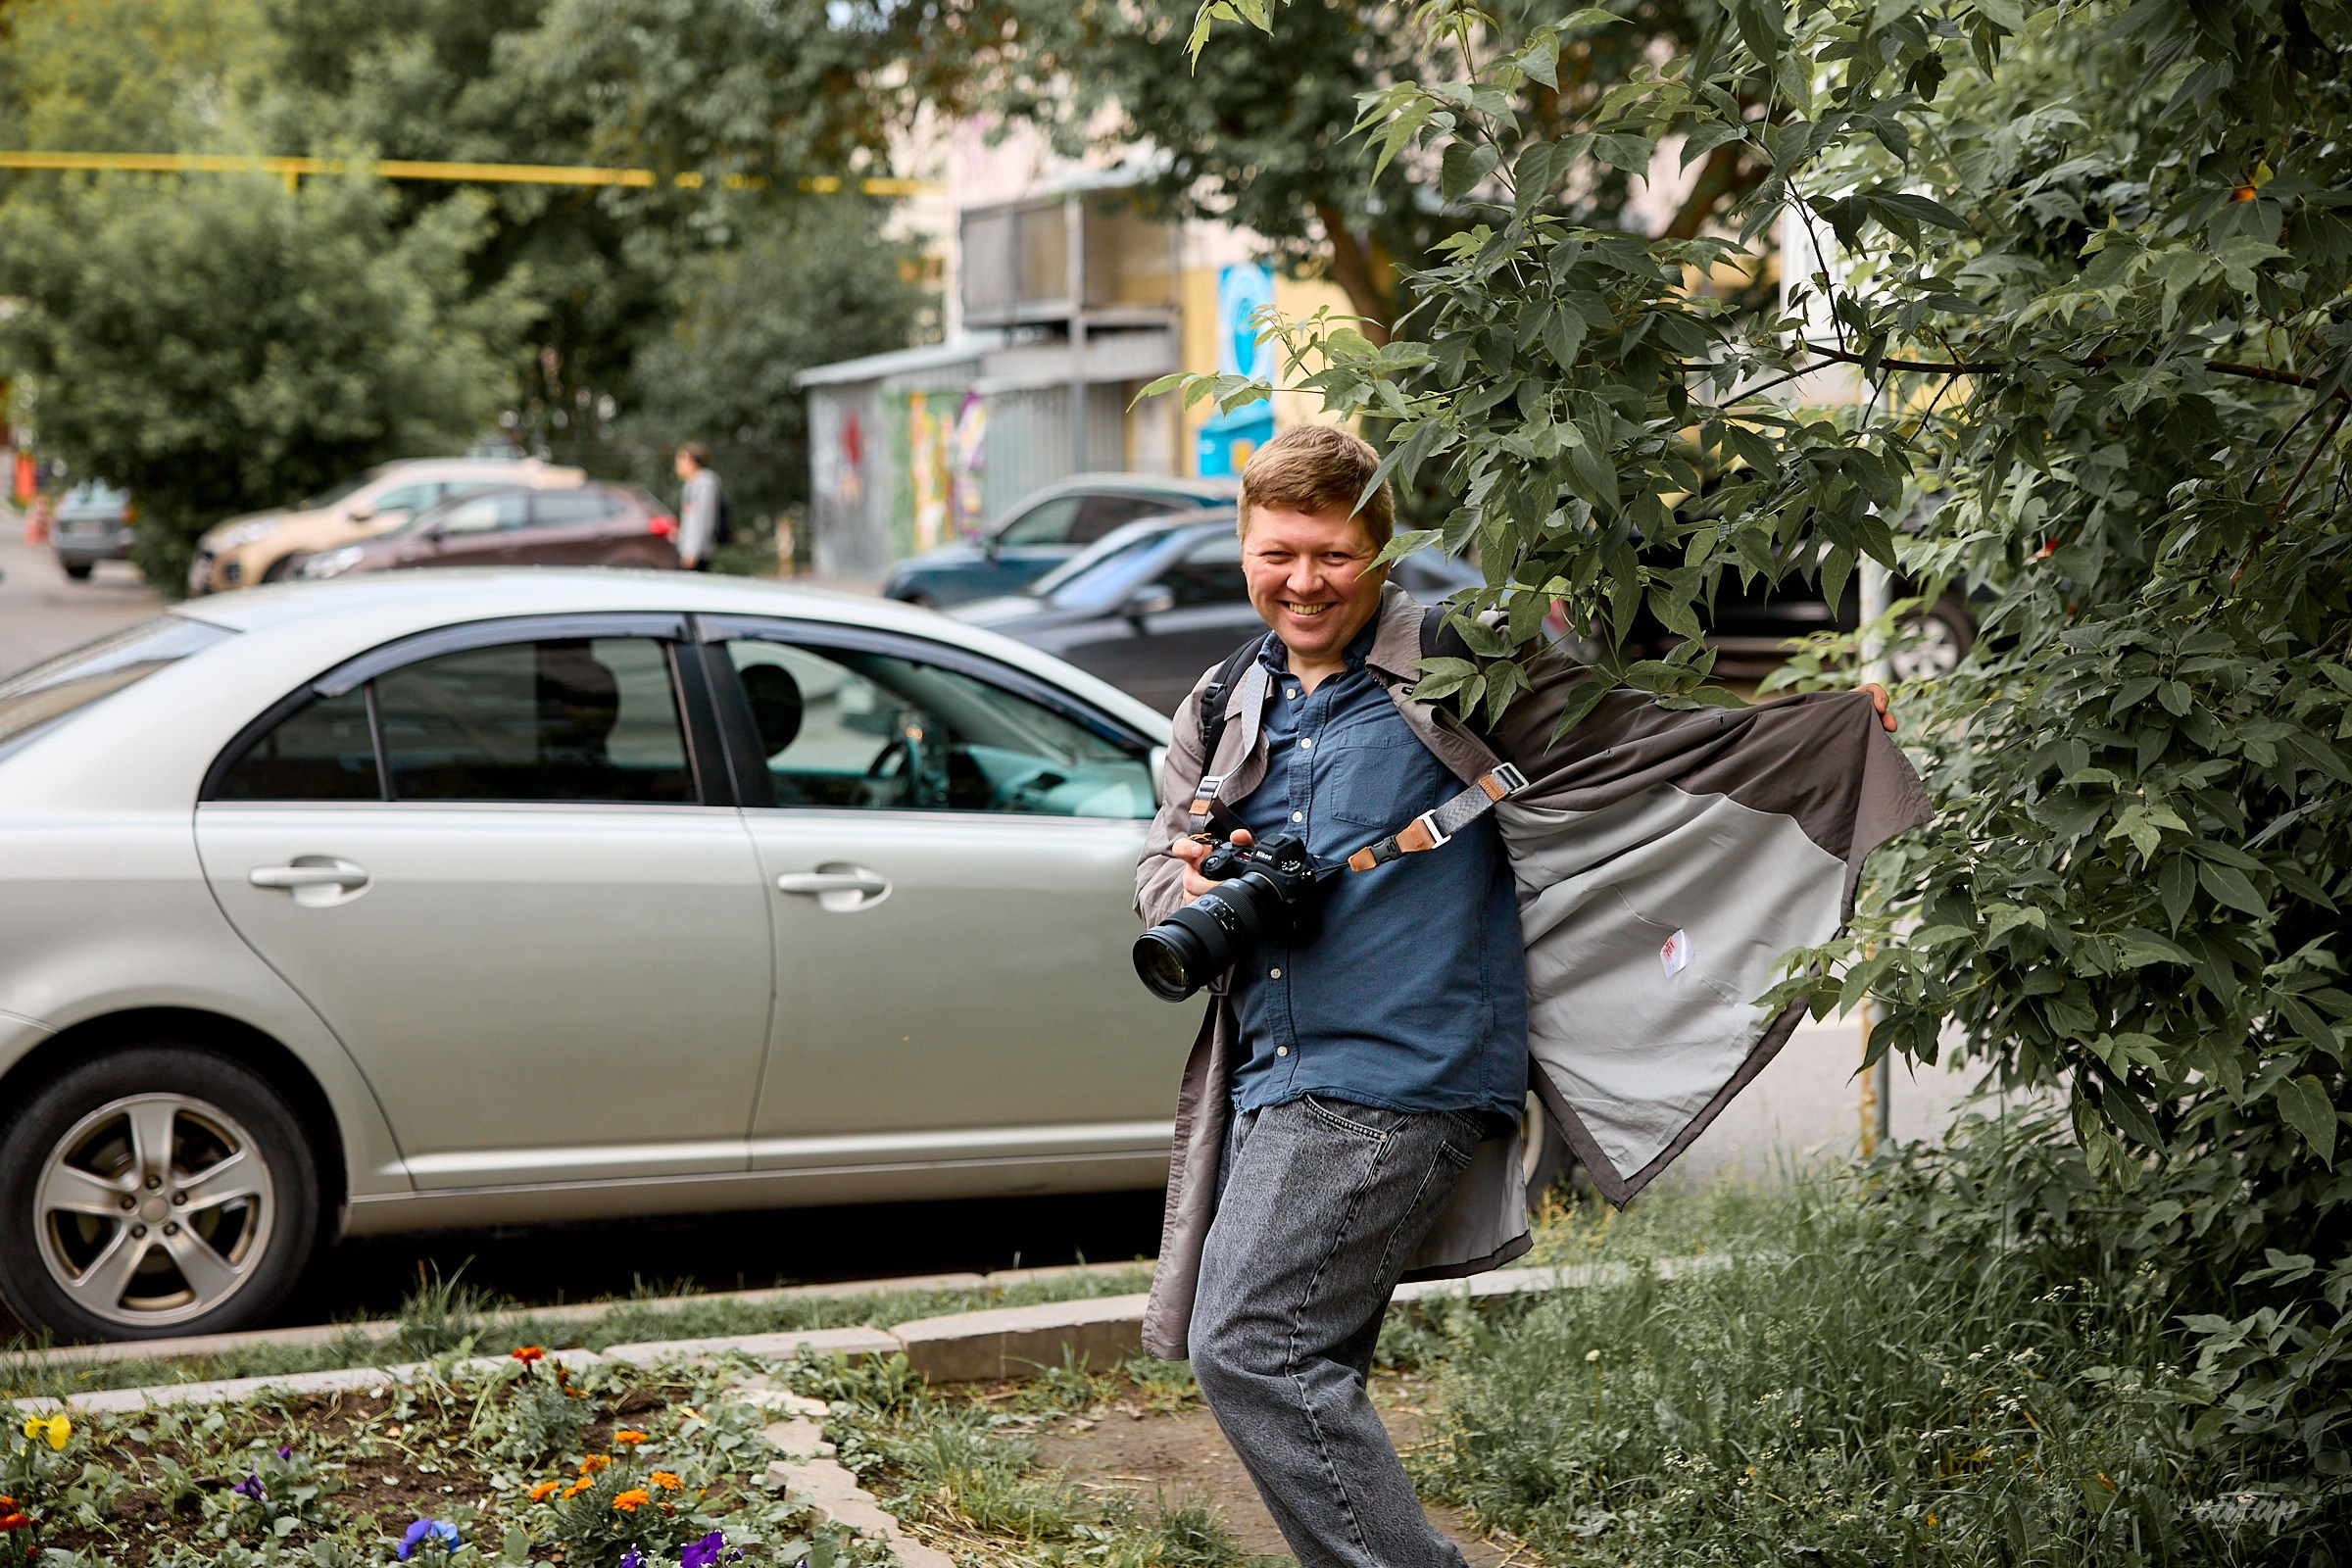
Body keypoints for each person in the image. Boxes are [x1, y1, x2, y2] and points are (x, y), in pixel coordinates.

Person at [1133, 424, 1918, 1568]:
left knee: (1248, 1347)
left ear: (1381, 551)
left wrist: (1821, 732)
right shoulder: (1223, 698)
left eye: (1333, 556)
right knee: (1307, 1369)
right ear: (1242, 546)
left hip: (1404, 1065)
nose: (1303, 581)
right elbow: (1162, 853)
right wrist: (1188, 883)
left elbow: (1644, 745)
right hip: (1272, 1068)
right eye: (1277, 553)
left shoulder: (1459, 663)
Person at [674, 443, 721, 570]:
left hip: (696, 553)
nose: (678, 466)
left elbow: (703, 520)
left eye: (682, 461)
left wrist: (692, 552)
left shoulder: (704, 486)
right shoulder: (690, 485)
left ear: (693, 462)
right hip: (686, 549)